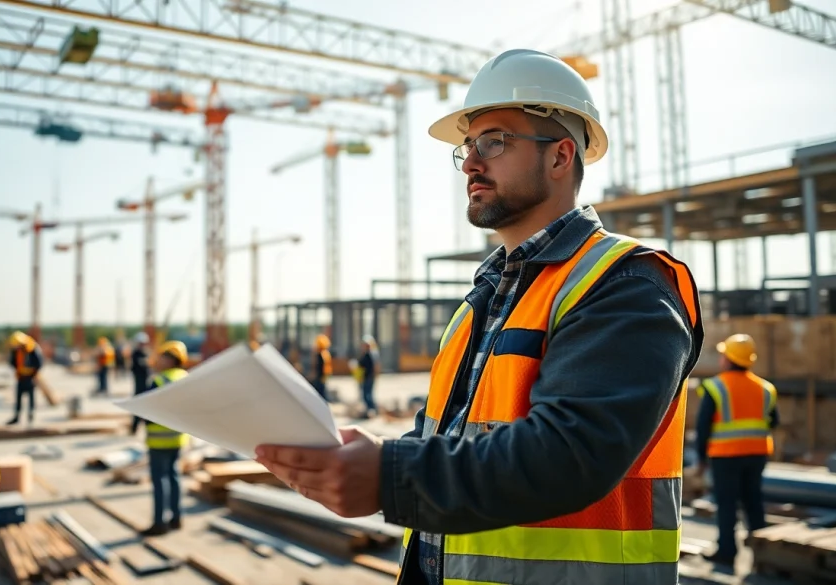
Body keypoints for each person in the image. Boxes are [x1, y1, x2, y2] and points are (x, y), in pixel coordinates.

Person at [253, 48, 704, 585]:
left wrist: (389, 477)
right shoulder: (480, 304)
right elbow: (450, 444)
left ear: (561, 157)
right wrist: (355, 459)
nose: (470, 162)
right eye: (468, 146)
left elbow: (572, 455)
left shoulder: (628, 284)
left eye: (494, 141)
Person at [696, 333, 778, 568]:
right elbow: (773, 421)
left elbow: (704, 426)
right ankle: (764, 555)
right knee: (754, 502)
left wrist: (701, 457)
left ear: (728, 359)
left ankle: (727, 552)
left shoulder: (715, 387)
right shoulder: (766, 388)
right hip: (757, 453)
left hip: (725, 454)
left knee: (727, 503)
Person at [140, 340, 190, 536]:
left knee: (160, 480)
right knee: (174, 476)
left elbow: (146, 410)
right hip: (178, 437)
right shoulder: (186, 377)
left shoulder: (159, 381)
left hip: (158, 439)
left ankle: (159, 522)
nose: (157, 360)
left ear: (170, 359)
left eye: (161, 356)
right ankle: (176, 518)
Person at [6, 331, 43, 426]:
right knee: (18, 398)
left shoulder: (33, 349)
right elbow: (13, 362)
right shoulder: (17, 351)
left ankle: (30, 417)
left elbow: (39, 363)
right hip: (20, 377)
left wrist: (32, 373)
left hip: (30, 378)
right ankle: (17, 417)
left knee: (31, 398)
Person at [129, 331, 151, 435]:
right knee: (138, 406)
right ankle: (134, 428)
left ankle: (142, 427)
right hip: (139, 385)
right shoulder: (136, 354)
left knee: (145, 407)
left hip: (145, 385)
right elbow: (137, 367)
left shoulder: (145, 354)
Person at [357, 335, 380, 417]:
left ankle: (372, 409)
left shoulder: (371, 354)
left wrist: (375, 375)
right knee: (366, 394)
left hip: (369, 377)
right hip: (365, 377)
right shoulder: (366, 354)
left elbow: (375, 366)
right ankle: (371, 410)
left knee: (368, 394)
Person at [309, 334, 332, 401]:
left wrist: (312, 376)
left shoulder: (320, 355)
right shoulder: (326, 353)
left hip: (319, 377)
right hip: (323, 376)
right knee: (322, 393)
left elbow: (317, 366)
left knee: (319, 395)